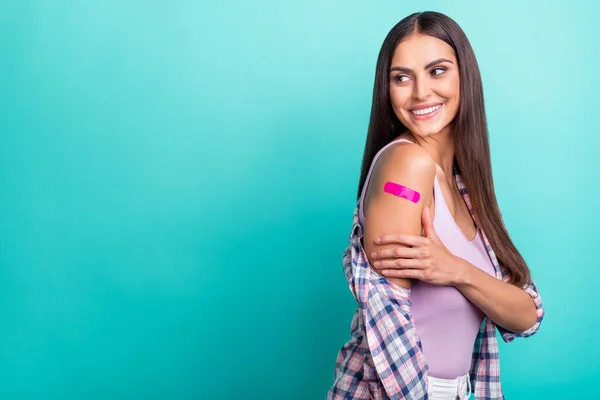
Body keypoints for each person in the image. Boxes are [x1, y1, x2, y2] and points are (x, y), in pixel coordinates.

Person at [327, 11, 545, 400]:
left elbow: (527, 315)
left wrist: (456, 270)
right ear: (387, 88)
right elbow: (387, 317)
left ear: (465, 76)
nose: (420, 93)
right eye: (402, 77)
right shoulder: (406, 167)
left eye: (437, 71)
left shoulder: (467, 188)